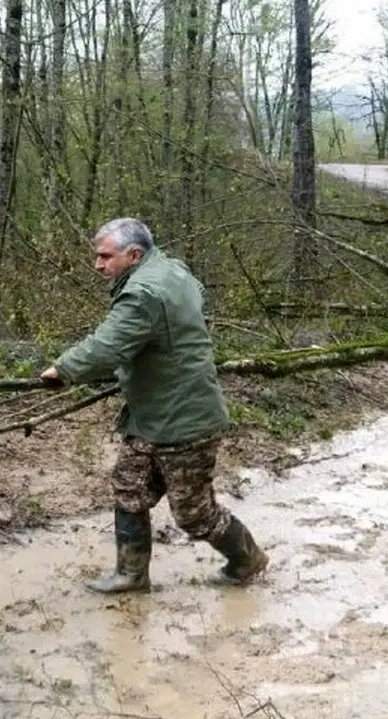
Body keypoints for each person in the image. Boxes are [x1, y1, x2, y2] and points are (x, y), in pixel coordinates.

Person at [40, 217, 269, 593]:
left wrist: (63, 370)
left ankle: (248, 559)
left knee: (194, 515)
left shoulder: (144, 292)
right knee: (128, 489)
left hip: (185, 420)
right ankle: (131, 575)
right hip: (150, 415)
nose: (98, 265)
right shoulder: (171, 269)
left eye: (104, 257)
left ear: (133, 255)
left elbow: (108, 346)